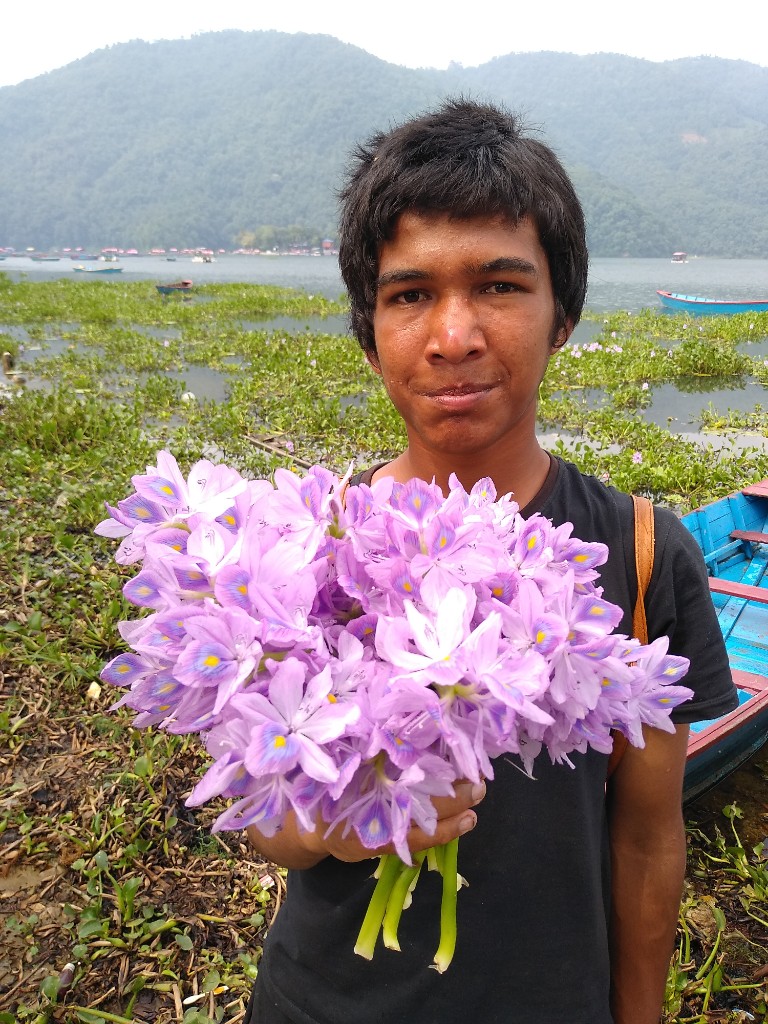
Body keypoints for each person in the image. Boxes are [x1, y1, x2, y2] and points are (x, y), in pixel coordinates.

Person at [244, 98, 737, 1024]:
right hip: (318, 1004)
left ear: (563, 315)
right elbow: (274, 819)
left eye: (502, 287)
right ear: (368, 329)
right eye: (410, 294)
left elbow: (644, 837)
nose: (454, 336)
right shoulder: (310, 546)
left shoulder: (638, 552)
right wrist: (328, 827)